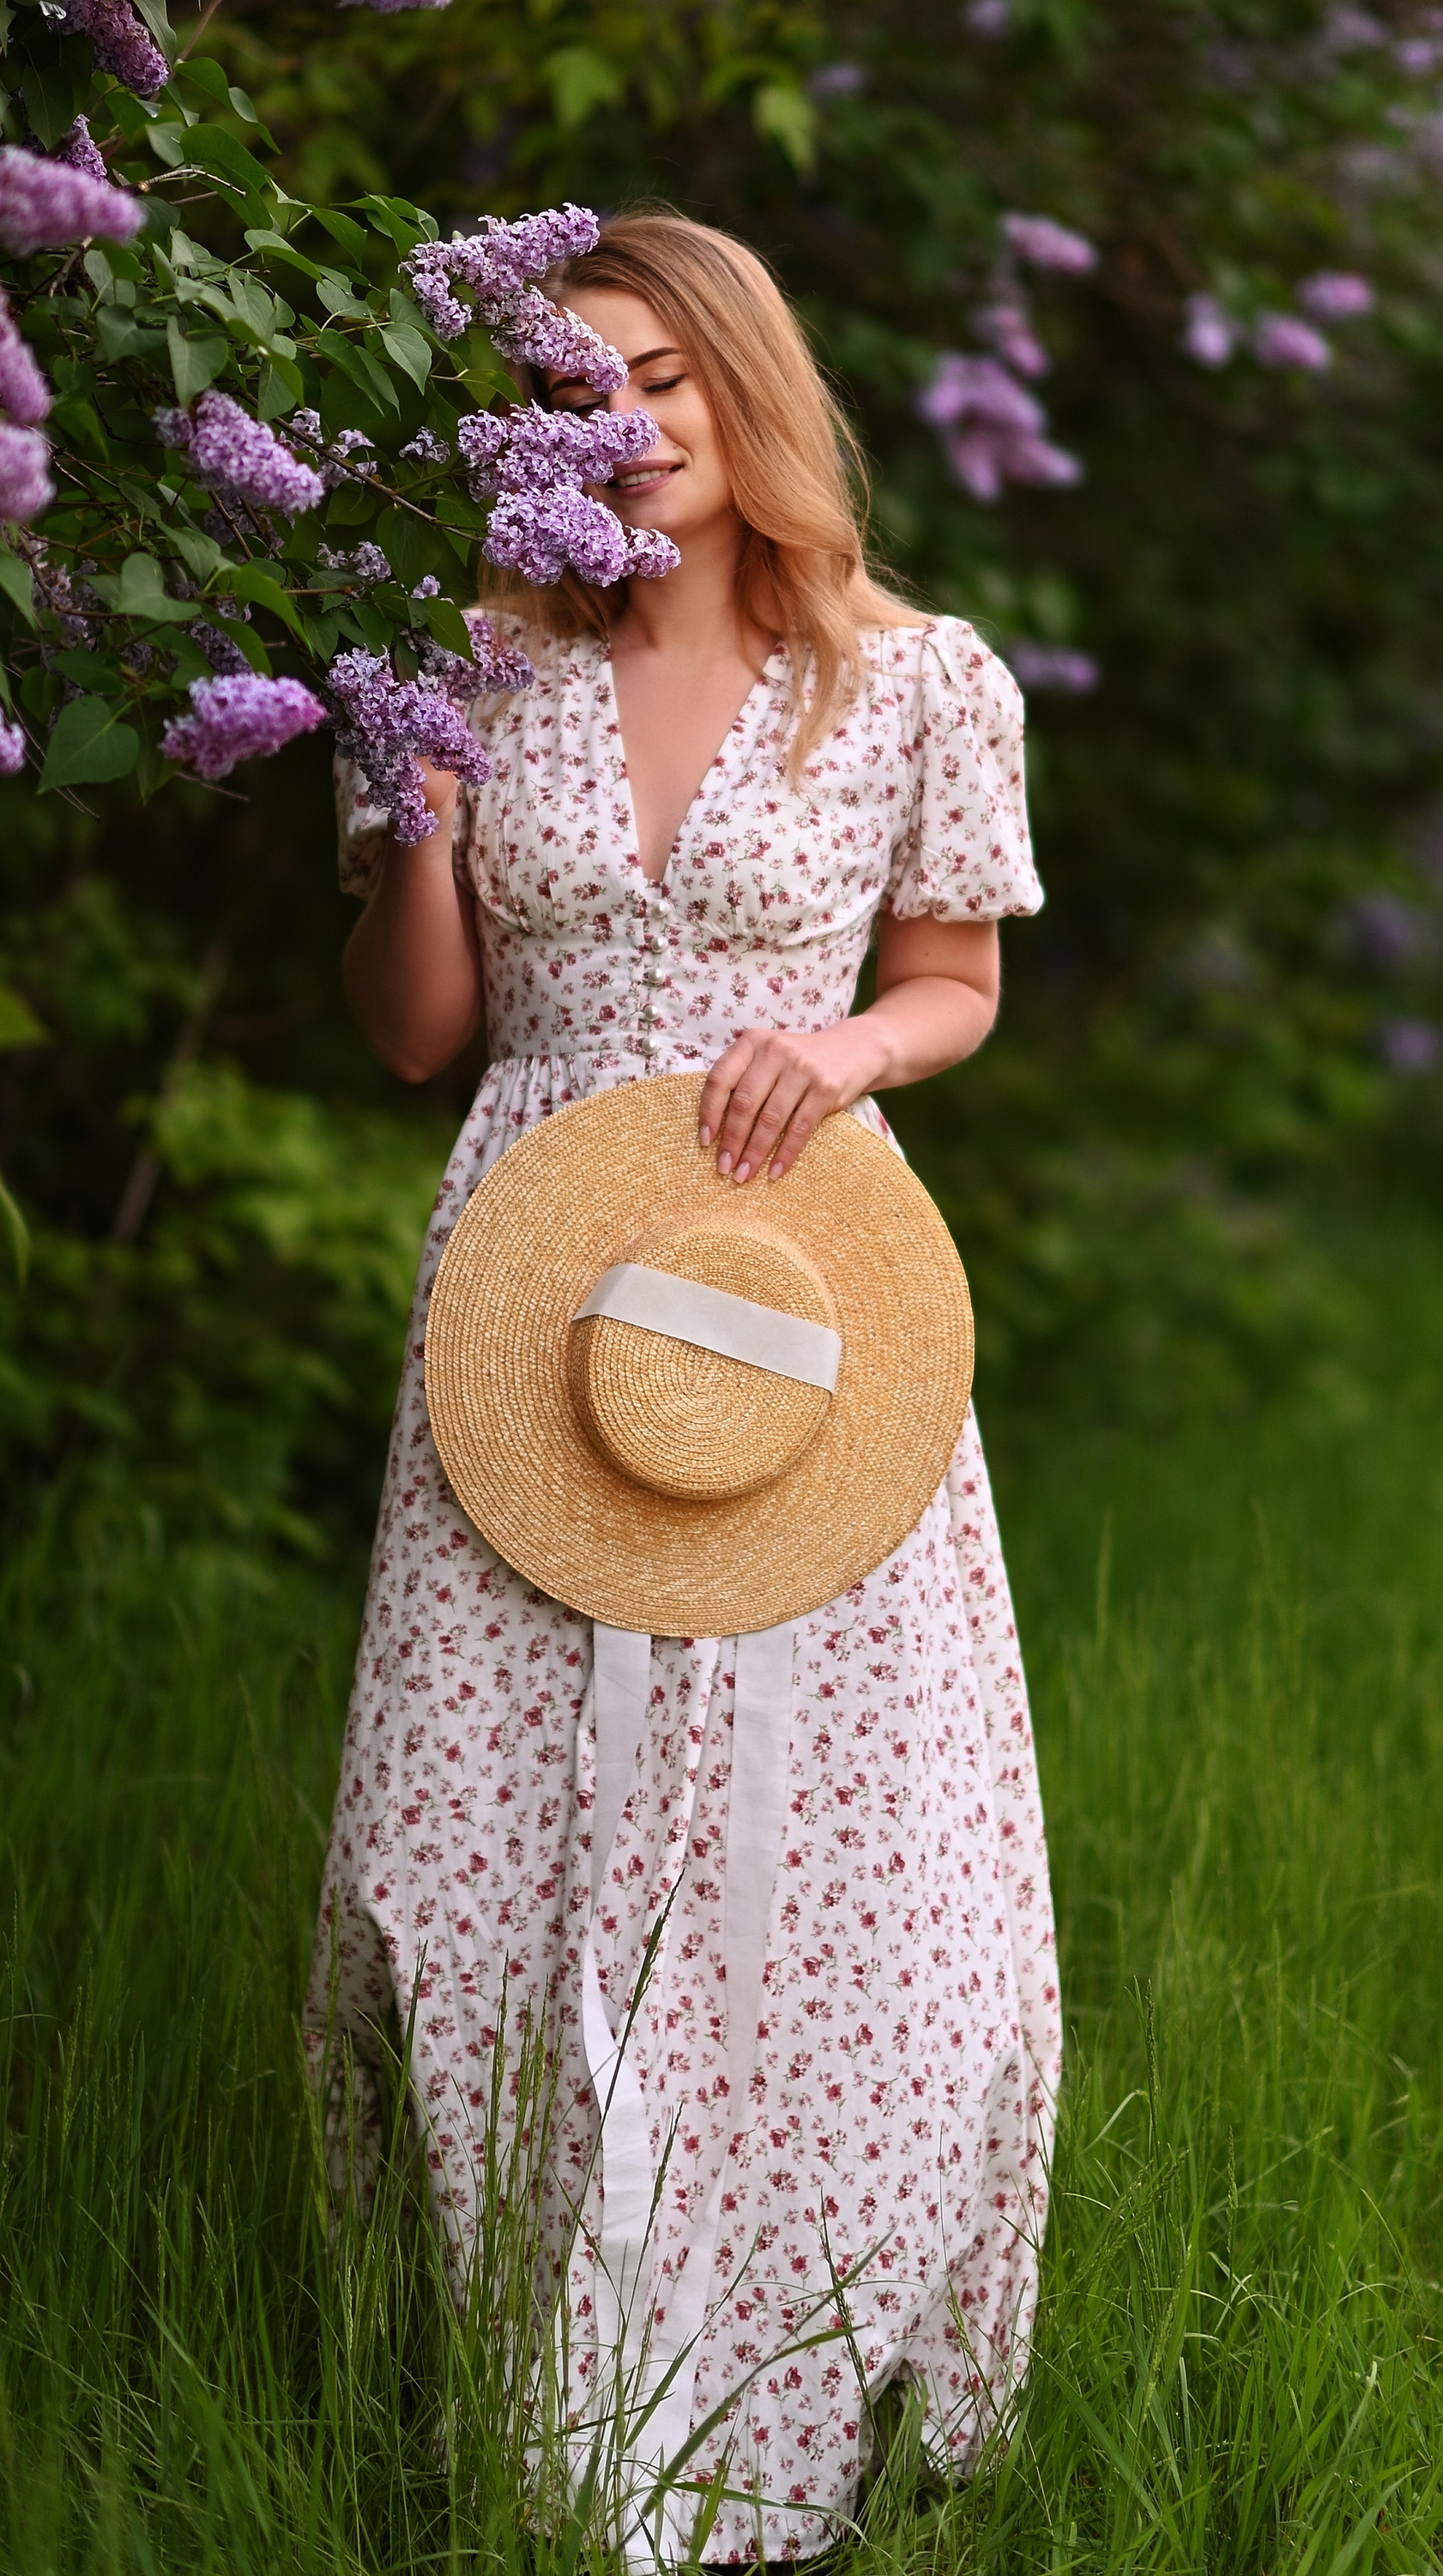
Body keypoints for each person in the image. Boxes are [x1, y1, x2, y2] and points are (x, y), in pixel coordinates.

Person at [305, 209, 1060, 2563]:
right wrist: (413, 831)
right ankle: (534, 2397)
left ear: (744, 394)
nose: (619, 424)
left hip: (792, 1281)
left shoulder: (914, 676)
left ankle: (820, 2389)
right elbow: (419, 1032)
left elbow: (952, 985)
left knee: (849, 1855)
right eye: (568, 386)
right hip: (531, 1279)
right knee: (476, 1836)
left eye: (661, 377)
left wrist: (838, 1047)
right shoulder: (460, 665)